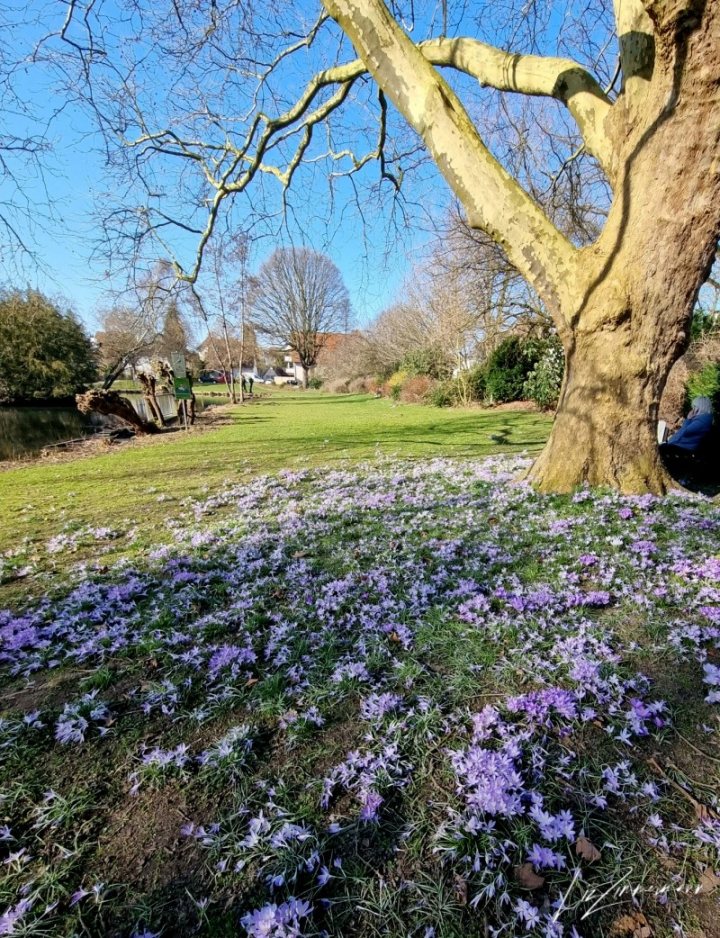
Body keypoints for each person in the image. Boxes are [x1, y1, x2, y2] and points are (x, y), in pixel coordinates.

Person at [660, 396, 714, 478]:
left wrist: (688, 419)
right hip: (681, 445)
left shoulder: (702, 421)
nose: (693, 409)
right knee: (661, 447)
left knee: (661, 449)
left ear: (700, 407)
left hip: (684, 447)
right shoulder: (701, 419)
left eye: (694, 407)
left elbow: (686, 431)